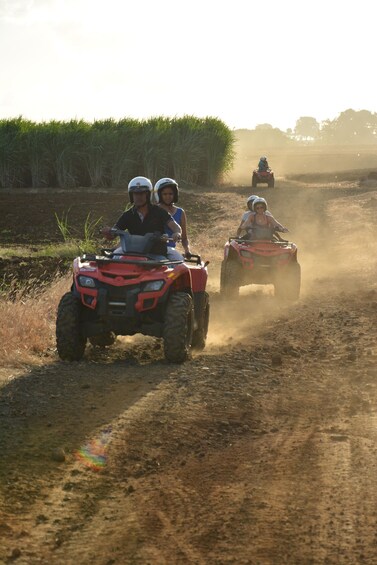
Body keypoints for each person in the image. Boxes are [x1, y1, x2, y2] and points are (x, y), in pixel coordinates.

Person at [101, 176, 182, 259]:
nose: (138, 197)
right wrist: (108, 233)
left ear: (148, 195)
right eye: (135, 194)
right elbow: (114, 233)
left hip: (156, 254)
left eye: (141, 193)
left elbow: (176, 227)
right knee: (114, 258)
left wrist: (177, 233)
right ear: (131, 195)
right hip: (131, 252)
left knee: (178, 261)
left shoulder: (159, 212)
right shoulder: (127, 215)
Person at [154, 177, 192, 260]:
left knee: (180, 265)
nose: (168, 197)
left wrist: (187, 250)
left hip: (170, 250)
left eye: (170, 194)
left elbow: (184, 238)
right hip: (155, 249)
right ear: (159, 195)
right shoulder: (154, 210)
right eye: (165, 194)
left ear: (175, 195)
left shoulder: (180, 212)